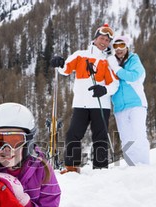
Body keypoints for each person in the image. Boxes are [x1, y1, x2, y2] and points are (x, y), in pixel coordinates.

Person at [51, 23, 119, 172]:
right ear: (95, 38)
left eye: (107, 41)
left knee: (100, 136)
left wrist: (104, 89)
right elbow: (66, 69)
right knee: (73, 134)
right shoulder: (80, 55)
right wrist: (60, 62)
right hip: (81, 103)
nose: (104, 42)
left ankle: (101, 168)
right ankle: (71, 167)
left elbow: (114, 84)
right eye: (101, 38)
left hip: (101, 105)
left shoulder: (108, 61)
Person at [0, 102, 61, 207]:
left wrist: (24, 202)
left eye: (15, 141)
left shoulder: (42, 170)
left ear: (29, 143)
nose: (7, 149)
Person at [107, 35, 150, 165]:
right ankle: (132, 166)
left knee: (138, 135)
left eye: (122, 46)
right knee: (126, 138)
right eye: (116, 46)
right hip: (120, 107)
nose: (119, 49)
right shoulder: (112, 62)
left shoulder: (133, 59)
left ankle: (143, 164)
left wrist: (117, 69)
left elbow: (133, 76)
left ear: (126, 47)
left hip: (136, 104)